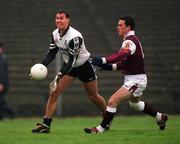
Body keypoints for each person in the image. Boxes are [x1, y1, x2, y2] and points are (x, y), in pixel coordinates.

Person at [84, 16, 168, 134]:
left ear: (128, 27)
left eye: (120, 25)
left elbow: (121, 55)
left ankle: (100, 129)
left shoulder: (130, 41)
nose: (117, 27)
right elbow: (124, 63)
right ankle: (160, 117)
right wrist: (109, 67)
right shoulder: (129, 40)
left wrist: (103, 60)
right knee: (135, 105)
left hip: (136, 80)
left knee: (112, 101)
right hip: (136, 78)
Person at [31, 10, 107, 133]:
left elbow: (73, 60)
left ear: (68, 20)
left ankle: (106, 119)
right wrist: (41, 66)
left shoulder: (75, 37)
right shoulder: (55, 33)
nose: (58, 20)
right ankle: (46, 125)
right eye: (57, 18)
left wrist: (59, 75)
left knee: (94, 97)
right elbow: (51, 53)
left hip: (84, 66)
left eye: (61, 18)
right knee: (54, 93)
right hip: (70, 67)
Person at [0, 42, 14, 120]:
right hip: (3, 83)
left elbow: (2, 73)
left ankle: (11, 112)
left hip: (2, 84)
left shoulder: (2, 59)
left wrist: (1, 84)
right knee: (1, 101)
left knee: (1, 102)